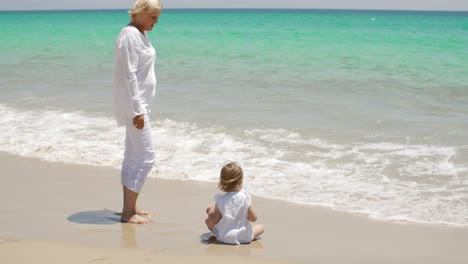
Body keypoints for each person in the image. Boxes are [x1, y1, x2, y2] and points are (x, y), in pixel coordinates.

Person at [113, 0, 163, 224]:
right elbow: (129, 74)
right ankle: (128, 212)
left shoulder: (139, 34)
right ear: (140, 14)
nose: (156, 21)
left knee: (133, 156)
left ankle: (130, 207)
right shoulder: (129, 35)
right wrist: (137, 110)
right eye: (153, 17)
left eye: (157, 17)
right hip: (136, 107)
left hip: (141, 105)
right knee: (146, 157)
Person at [205, 162, 264, 244]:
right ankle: (243, 236)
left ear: (222, 182)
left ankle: (220, 233)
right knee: (261, 227)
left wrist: (210, 212)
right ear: (240, 182)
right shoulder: (245, 198)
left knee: (208, 221)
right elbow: (253, 218)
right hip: (244, 237)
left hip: (224, 237)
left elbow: (214, 221)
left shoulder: (220, 199)